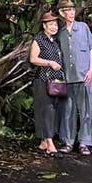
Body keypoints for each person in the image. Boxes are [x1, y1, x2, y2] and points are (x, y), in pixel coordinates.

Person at [56, 0, 92, 155]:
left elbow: (91, 49)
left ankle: (85, 143)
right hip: (67, 78)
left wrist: (91, 70)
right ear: (62, 13)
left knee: (87, 111)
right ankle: (68, 142)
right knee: (68, 111)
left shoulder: (83, 27)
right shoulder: (60, 34)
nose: (71, 13)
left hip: (84, 76)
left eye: (73, 10)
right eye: (68, 10)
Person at [29, 10, 65, 156]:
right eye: (50, 24)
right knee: (46, 111)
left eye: (55, 24)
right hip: (43, 80)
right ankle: (50, 144)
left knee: (54, 111)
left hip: (56, 81)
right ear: (44, 26)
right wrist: (49, 62)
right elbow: (33, 59)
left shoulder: (55, 42)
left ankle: (44, 142)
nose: (54, 27)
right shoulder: (38, 40)